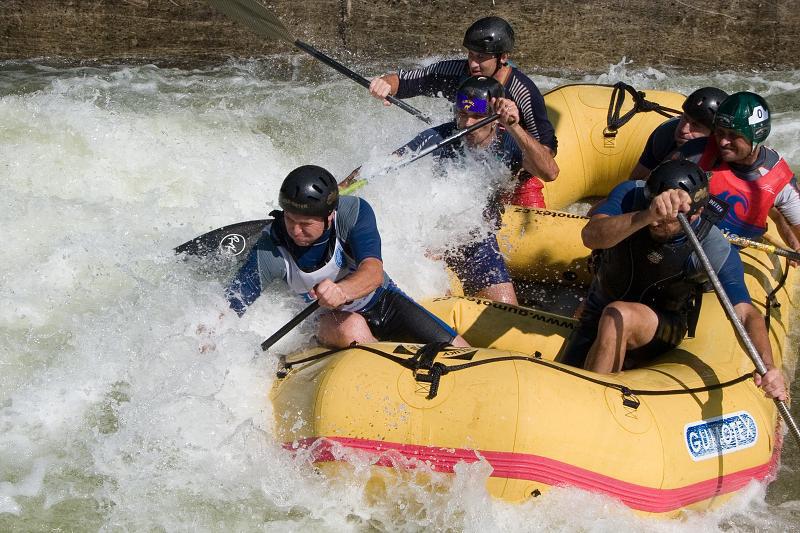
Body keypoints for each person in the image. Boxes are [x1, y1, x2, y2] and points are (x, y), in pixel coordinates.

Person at [560, 160, 786, 400]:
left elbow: (745, 313)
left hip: (662, 324)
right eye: (656, 210)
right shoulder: (631, 195)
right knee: (584, 349)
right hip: (598, 307)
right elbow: (591, 236)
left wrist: (768, 366)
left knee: (619, 315)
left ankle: (594, 401)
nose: (657, 222)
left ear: (696, 213)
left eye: (668, 219)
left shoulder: (711, 245)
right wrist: (647, 214)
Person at [226, 165, 469, 349]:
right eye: (289, 219)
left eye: (306, 223)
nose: (295, 231)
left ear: (329, 216)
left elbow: (373, 273)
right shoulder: (271, 248)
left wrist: (342, 291)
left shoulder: (353, 213)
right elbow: (230, 306)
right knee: (353, 326)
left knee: (458, 348)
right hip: (325, 320)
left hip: (383, 301)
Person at [372, 76, 555, 304]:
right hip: (433, 238)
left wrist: (514, 126)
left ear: (494, 118)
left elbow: (550, 172)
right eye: (462, 114)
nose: (467, 124)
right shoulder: (439, 137)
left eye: (477, 116)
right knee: (431, 299)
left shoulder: (510, 142)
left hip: (477, 238)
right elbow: (383, 165)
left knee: (507, 308)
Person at [368, 16, 558, 207]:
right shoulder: (456, 71)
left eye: (481, 57)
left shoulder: (523, 91)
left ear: (503, 57)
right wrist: (385, 85)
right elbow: (405, 80)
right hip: (467, 163)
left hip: (515, 177)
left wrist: (513, 127)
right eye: (471, 55)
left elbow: (546, 152)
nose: (473, 64)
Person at [678, 91, 800, 253]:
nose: (723, 141)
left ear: (756, 137)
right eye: (720, 132)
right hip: (680, 239)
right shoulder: (696, 151)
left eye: (734, 136)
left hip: (727, 254)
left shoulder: (780, 180)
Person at [628, 87, 728, 181]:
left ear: (714, 134)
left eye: (696, 125)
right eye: (685, 118)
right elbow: (636, 181)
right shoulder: (665, 134)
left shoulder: (727, 155)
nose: (684, 129)